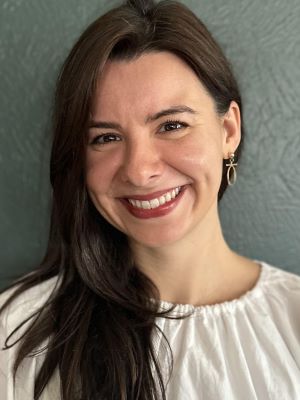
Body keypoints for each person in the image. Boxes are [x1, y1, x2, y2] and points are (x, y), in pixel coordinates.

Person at [1, 0, 300, 399]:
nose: (139, 171)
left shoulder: (292, 319)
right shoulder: (19, 336)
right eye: (105, 137)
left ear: (228, 130)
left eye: (171, 125)